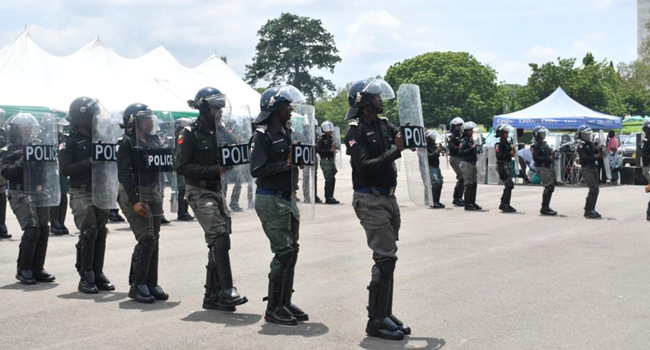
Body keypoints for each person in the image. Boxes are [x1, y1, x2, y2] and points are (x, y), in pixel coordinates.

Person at [344, 78, 410, 341]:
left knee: (389, 258)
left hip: (389, 199)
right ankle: (375, 320)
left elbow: (402, 134)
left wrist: (417, 134)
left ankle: (385, 312)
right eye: (377, 96)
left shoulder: (383, 125)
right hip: (370, 199)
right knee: (384, 257)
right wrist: (396, 150)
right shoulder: (355, 131)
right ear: (364, 102)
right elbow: (365, 166)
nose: (382, 99)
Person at [177, 87, 248, 311]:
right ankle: (227, 291)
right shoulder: (188, 132)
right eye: (216, 106)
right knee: (219, 236)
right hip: (198, 190)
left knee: (219, 239)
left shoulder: (221, 130)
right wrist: (213, 169)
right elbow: (181, 166)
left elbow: (239, 146)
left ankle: (212, 295)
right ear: (204, 107)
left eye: (221, 105)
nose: (220, 109)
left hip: (217, 189)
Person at [250, 85, 310, 326]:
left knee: (292, 251)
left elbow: (293, 162)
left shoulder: (287, 130)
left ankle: (284, 301)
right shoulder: (262, 134)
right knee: (283, 252)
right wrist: (286, 165)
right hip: (270, 198)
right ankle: (273, 307)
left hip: (287, 198)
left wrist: (300, 158)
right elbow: (257, 169)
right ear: (275, 107)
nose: (290, 108)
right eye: (287, 105)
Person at [59, 97, 115, 293]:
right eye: (93, 114)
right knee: (89, 231)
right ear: (83, 117)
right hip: (81, 191)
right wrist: (89, 163)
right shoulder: (69, 141)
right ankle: (86, 275)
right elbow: (65, 169)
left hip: (101, 189)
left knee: (100, 231)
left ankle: (97, 272)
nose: (96, 117)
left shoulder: (101, 137)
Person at [117, 103, 169, 303]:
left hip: (153, 193)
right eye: (146, 118)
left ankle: (151, 282)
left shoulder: (155, 140)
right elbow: (125, 174)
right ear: (135, 121)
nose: (150, 121)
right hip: (135, 194)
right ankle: (137, 284)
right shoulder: (127, 142)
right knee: (146, 238)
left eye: (150, 117)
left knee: (154, 238)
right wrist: (135, 201)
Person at [1, 113, 57, 284]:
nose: (28, 130)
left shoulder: (39, 147)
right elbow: (6, 172)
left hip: (39, 192)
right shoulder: (7, 150)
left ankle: (37, 268)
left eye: (30, 127)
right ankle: (23, 269)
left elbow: (48, 171)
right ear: (15, 130)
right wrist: (25, 156)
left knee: (43, 228)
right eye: (24, 128)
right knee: (31, 229)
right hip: (19, 193)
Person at [531, 126, 557, 216]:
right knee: (549, 187)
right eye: (542, 133)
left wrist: (554, 152)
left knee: (550, 187)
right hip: (541, 167)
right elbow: (536, 158)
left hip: (547, 167)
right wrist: (548, 158)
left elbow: (550, 152)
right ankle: (544, 207)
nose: (544, 135)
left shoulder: (545, 144)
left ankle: (546, 206)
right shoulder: (535, 145)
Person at [50, 119, 70, 235]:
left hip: (62, 169)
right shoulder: (45, 137)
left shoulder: (64, 138)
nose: (58, 128)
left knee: (63, 196)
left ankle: (60, 222)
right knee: (54, 197)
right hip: (51, 171)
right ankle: (54, 222)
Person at [576, 125, 601, 219]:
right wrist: (596, 156)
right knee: (593, 189)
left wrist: (599, 149)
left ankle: (591, 208)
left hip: (593, 167)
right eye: (585, 134)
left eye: (588, 134)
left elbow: (595, 151)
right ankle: (588, 210)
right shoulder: (581, 145)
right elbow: (584, 158)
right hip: (586, 168)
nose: (588, 136)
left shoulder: (590, 144)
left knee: (596, 189)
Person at [173, 118, 194, 221]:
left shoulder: (180, 135)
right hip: (179, 165)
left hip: (182, 164)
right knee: (182, 188)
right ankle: (182, 212)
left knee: (184, 188)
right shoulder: (180, 136)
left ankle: (184, 211)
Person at [459, 122, 481, 211]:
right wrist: (472, 148)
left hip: (472, 163)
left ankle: (472, 202)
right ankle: (468, 203)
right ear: (466, 131)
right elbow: (460, 153)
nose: (472, 132)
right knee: (468, 184)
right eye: (470, 130)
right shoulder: (463, 141)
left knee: (474, 183)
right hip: (466, 163)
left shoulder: (471, 140)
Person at [316, 121, 339, 204]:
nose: (329, 130)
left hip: (331, 160)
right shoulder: (321, 139)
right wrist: (328, 150)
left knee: (332, 178)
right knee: (329, 179)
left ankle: (331, 196)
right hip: (325, 160)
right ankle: (328, 197)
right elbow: (317, 150)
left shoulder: (331, 138)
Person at [494, 124, 516, 213]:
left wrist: (512, 151)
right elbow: (499, 155)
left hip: (506, 164)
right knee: (508, 184)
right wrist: (509, 153)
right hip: (502, 165)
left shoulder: (506, 142)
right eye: (505, 132)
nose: (507, 134)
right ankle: (504, 204)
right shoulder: (499, 143)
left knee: (510, 185)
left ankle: (506, 203)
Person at [447, 117, 465, 206]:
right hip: (455, 158)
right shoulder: (453, 136)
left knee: (464, 178)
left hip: (460, 158)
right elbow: (451, 147)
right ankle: (456, 198)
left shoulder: (462, 135)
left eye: (460, 125)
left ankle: (460, 197)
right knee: (461, 177)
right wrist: (460, 147)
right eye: (457, 126)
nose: (459, 127)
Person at [425, 130, 445, 209]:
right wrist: (436, 152)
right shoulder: (425, 147)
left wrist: (440, 149)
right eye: (432, 139)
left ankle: (437, 201)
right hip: (431, 166)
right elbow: (428, 157)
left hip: (436, 166)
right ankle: (433, 202)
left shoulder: (434, 146)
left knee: (440, 183)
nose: (434, 140)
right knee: (435, 183)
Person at [0, 124, 11, 239]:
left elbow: (7, 144)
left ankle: (2, 228)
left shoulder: (3, 131)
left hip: (1, 164)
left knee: (2, 198)